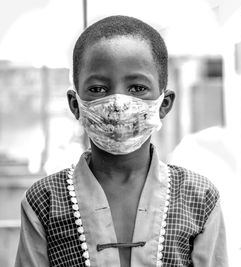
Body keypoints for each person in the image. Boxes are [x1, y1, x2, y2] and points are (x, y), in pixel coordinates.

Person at [14, 15, 227, 267]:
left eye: (137, 88)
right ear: (75, 104)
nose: (117, 103)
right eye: (98, 89)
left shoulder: (199, 198)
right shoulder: (44, 201)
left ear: (164, 104)